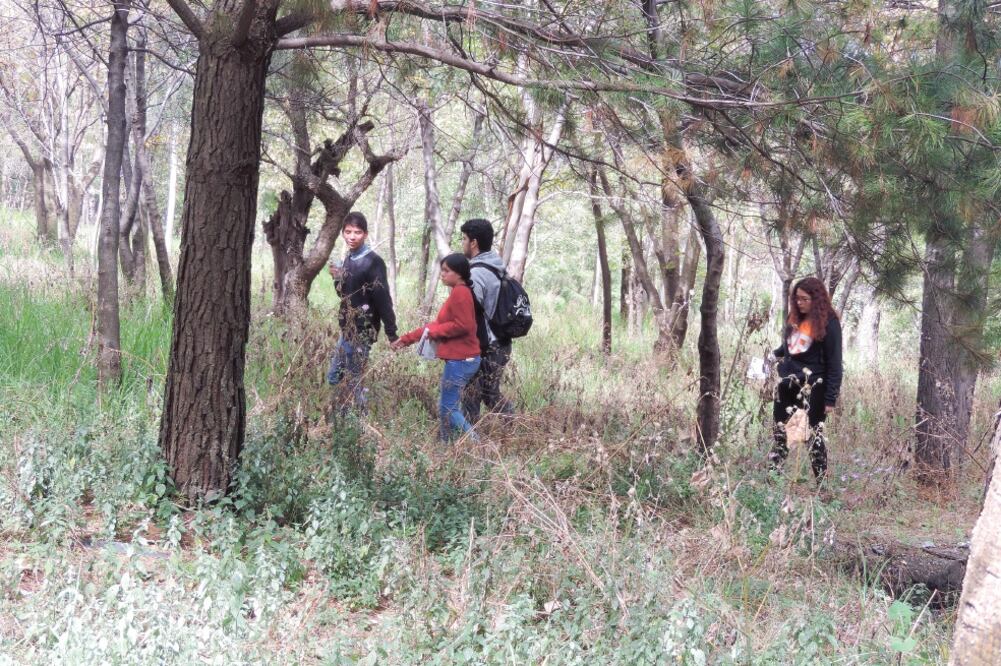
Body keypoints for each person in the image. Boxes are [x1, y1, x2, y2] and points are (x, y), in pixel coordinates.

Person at [391, 254, 482, 442]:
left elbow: (464, 325)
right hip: (461, 359)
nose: (442, 274)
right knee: (447, 407)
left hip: (462, 360)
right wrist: (407, 339)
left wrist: (435, 332)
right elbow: (436, 325)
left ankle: (477, 444)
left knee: (449, 408)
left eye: (446, 271)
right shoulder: (458, 291)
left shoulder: (460, 292)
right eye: (442, 270)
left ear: (459, 273)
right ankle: (445, 446)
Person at [769, 276, 843, 480]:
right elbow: (789, 346)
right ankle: (772, 478)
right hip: (787, 385)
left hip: (813, 388)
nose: (799, 303)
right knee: (781, 432)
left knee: (813, 436)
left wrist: (830, 398)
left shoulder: (829, 323)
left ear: (816, 299)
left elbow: (835, 363)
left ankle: (821, 484)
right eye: (797, 298)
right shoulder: (795, 318)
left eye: (804, 299)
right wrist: (772, 356)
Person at [326, 212, 397, 413]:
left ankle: (358, 421)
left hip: (362, 330)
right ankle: (343, 416)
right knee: (334, 377)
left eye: (357, 232)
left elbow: (383, 299)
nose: (352, 236)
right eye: (348, 232)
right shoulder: (349, 258)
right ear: (342, 233)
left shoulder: (373, 262)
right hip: (347, 329)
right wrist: (337, 278)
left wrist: (391, 333)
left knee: (353, 380)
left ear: (365, 234)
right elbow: (344, 294)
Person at [459, 218, 515, 422]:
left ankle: (468, 435)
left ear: (473, 242)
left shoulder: (476, 273)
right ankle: (513, 424)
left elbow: (469, 315)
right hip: (501, 342)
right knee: (488, 393)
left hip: (486, 344)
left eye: (464, 239)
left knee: (473, 393)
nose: (462, 243)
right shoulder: (497, 265)